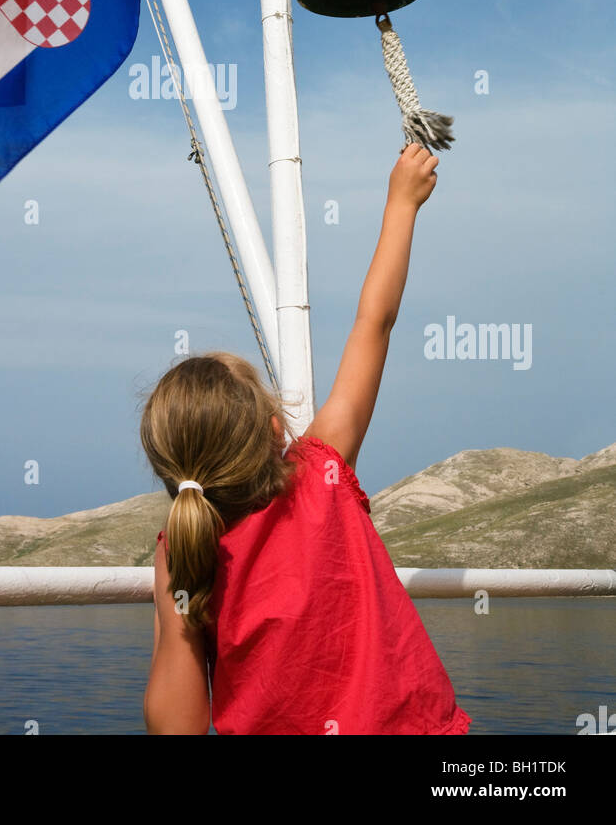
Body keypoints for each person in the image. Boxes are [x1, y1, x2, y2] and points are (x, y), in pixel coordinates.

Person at [139, 143, 471, 735]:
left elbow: (177, 722)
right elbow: (376, 321)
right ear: (274, 430)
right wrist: (402, 202)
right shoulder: (321, 473)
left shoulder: (182, 554)